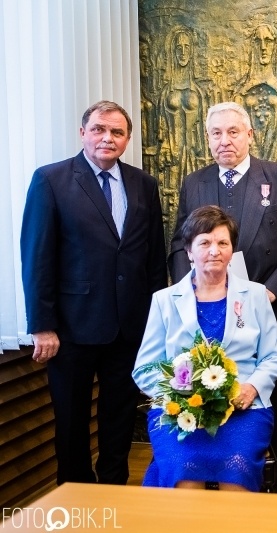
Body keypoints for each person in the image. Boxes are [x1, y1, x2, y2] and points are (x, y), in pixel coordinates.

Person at [20, 100, 167, 485]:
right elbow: (37, 257)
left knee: (120, 418)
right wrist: (42, 325)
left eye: (117, 132)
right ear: (83, 132)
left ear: (127, 139)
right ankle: (75, 494)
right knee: (71, 422)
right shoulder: (51, 180)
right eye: (99, 129)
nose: (107, 138)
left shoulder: (144, 184)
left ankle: (114, 490)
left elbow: (153, 259)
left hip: (129, 328)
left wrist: (156, 322)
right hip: (71, 329)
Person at [169, 101, 277, 493]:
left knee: (265, 398)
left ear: (250, 134)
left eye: (233, 132)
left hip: (265, 311)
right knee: (205, 395)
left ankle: (270, 485)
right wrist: (190, 296)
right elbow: (180, 245)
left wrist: (266, 295)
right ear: (208, 138)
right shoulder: (194, 182)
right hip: (205, 315)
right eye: (216, 133)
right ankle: (209, 479)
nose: (224, 140)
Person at [134, 206, 277, 491]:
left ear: (232, 250)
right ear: (189, 251)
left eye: (222, 243)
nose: (214, 251)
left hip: (242, 410)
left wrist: (252, 387)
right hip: (180, 414)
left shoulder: (255, 295)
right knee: (184, 469)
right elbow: (144, 369)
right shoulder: (164, 300)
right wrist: (180, 393)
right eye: (204, 242)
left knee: (236, 467)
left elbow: (273, 356)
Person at [234, 24, 277, 164]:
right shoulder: (241, 94)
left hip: (276, 165)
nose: (263, 47)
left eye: (268, 41)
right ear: (253, 46)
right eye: (258, 41)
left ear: (274, 45)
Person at [158, 26, 207, 192]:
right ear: (173, 52)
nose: (183, 52)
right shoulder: (166, 92)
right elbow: (162, 125)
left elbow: (203, 126)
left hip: (193, 152)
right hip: (173, 151)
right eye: (179, 48)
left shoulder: (198, 92)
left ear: (192, 51)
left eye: (187, 47)